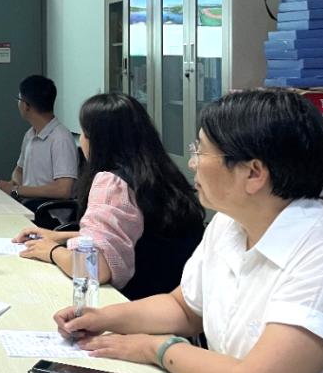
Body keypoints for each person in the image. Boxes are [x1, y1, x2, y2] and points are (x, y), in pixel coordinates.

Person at [53, 89, 323, 373]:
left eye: (202, 151)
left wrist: (156, 349)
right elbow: (183, 307)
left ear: (253, 173)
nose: (192, 163)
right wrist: (102, 317)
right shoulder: (229, 224)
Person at [14, 93, 204, 300]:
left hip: (131, 302)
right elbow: (134, 237)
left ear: (99, 141)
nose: (81, 140)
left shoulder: (112, 183)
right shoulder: (159, 174)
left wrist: (52, 251)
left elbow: (94, 268)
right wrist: (59, 237)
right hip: (173, 300)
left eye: (84, 133)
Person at [0, 75, 79, 207]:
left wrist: (16, 190)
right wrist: (13, 184)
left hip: (47, 212)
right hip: (27, 204)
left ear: (26, 106)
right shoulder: (30, 134)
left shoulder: (61, 138)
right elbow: (19, 171)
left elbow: (63, 190)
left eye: (19, 99)